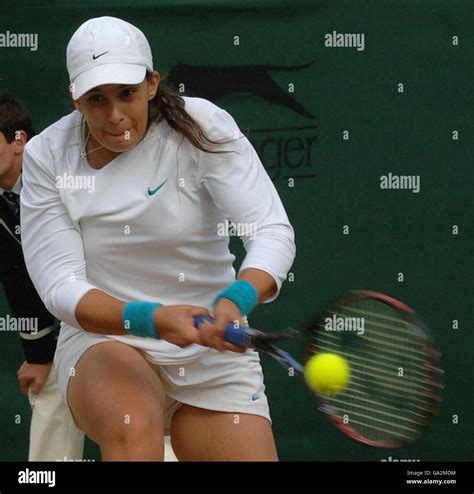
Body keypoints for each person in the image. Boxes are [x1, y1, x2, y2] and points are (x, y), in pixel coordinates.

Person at [21, 16, 296, 461]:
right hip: (107, 341)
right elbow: (60, 287)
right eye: (97, 99)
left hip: (212, 345)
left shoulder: (204, 124)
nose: (114, 116)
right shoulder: (46, 157)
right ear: (76, 99)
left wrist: (237, 298)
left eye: (126, 93)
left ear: (151, 84)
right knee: (134, 429)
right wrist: (151, 319)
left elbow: (269, 230)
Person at [0, 91, 85, 461]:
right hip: (62, 332)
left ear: (19, 140)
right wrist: (38, 353)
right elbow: (16, 278)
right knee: (49, 402)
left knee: (152, 428)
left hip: (120, 315)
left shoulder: (68, 176)